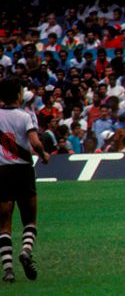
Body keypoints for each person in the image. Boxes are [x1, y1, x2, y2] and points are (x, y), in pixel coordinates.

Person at [0, 80, 50, 283]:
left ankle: (8, 269)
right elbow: (35, 142)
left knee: (4, 223)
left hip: (2, 172)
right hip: (22, 171)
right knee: (30, 219)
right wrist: (44, 154)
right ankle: (26, 251)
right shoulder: (25, 116)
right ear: (18, 95)